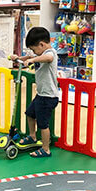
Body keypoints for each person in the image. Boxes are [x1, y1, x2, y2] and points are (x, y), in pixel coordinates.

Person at [10, 27, 59, 158]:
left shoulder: (51, 53)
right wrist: (18, 58)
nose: (33, 53)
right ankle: (32, 136)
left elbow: (47, 58)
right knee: (30, 114)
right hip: (41, 95)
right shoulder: (40, 53)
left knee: (43, 124)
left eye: (34, 49)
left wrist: (32, 60)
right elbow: (29, 57)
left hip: (49, 97)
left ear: (42, 44)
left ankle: (45, 149)